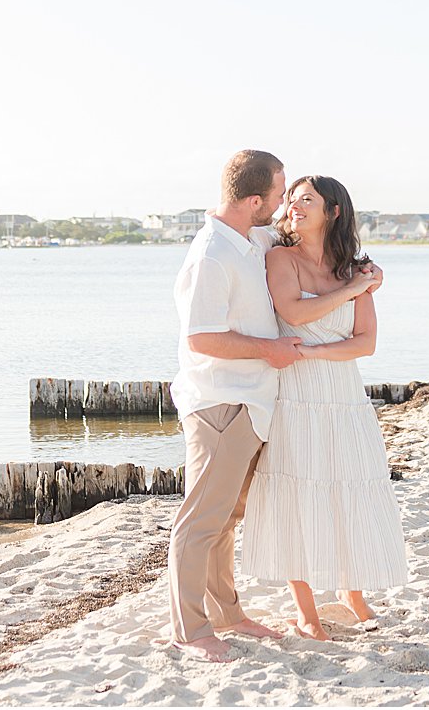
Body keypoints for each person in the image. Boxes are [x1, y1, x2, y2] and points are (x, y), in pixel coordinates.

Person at [240, 174, 409, 640]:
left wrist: (316, 350)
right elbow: (294, 313)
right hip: (293, 396)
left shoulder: (356, 267)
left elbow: (366, 344)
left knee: (348, 487)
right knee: (297, 493)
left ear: (333, 210)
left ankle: (352, 592)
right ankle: (305, 609)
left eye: (306, 199)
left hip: (343, 395)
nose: (295, 206)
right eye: (291, 199)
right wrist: (352, 291)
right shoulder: (281, 258)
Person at [166, 149, 302, 663]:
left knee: (225, 518)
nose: (283, 202)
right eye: (278, 193)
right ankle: (190, 629)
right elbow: (202, 337)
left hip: (252, 402)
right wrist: (268, 349)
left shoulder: (249, 238)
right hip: (220, 403)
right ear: (251, 200)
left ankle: (226, 613)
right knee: (200, 520)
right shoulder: (211, 256)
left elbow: (291, 236)